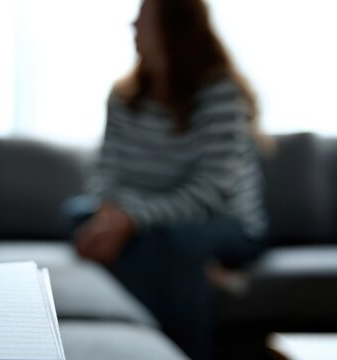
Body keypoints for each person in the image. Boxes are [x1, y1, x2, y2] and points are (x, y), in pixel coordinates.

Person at [68, 0, 269, 358]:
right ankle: (203, 280)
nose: (133, 25)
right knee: (79, 217)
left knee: (172, 243)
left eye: (143, 17)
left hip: (221, 223)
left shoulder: (221, 94)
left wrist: (130, 221)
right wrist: (110, 215)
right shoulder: (123, 98)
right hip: (140, 221)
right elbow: (104, 173)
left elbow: (211, 192)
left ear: (174, 27)